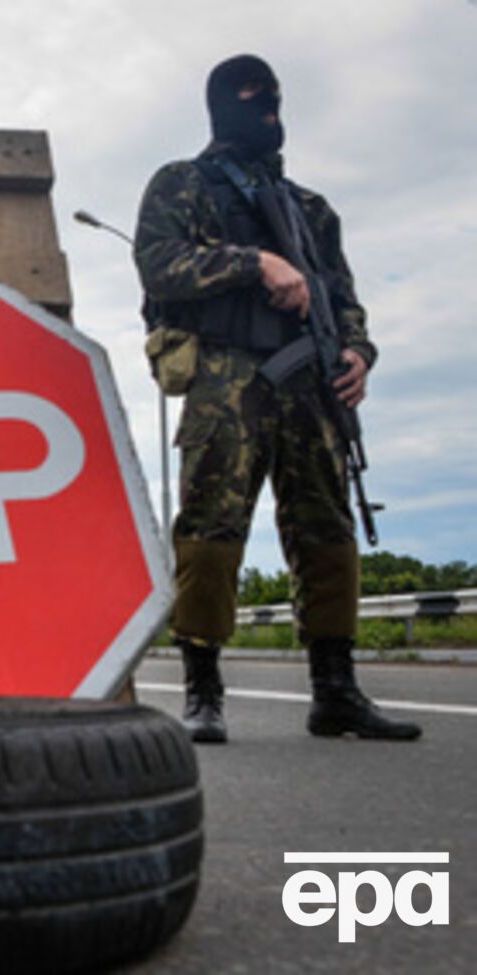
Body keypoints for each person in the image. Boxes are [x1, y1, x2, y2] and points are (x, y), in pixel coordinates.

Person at [133, 54, 420, 744]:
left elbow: (344, 298)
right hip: (226, 374)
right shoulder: (184, 183)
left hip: (312, 383)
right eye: (252, 98)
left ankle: (337, 691)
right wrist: (252, 261)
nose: (268, 112)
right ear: (222, 107)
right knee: (211, 524)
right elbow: (158, 263)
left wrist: (358, 352)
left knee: (327, 528)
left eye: (275, 99)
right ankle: (203, 690)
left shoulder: (312, 210)